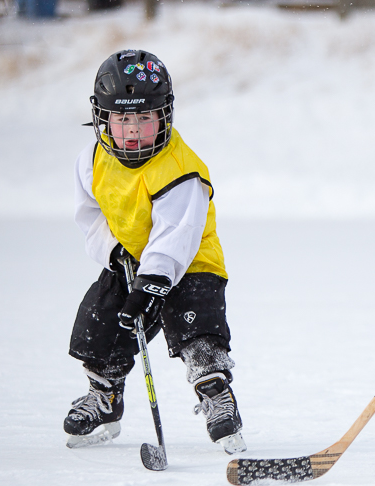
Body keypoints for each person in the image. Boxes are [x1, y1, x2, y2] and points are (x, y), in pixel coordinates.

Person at [64, 49, 246, 455]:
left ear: (164, 116)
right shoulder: (91, 161)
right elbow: (89, 216)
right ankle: (105, 396)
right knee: (101, 319)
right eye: (123, 118)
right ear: (102, 118)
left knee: (195, 325)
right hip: (131, 260)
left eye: (144, 118)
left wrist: (153, 283)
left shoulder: (180, 168)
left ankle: (215, 394)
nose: (132, 130)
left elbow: (175, 235)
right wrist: (113, 253)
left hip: (190, 265)